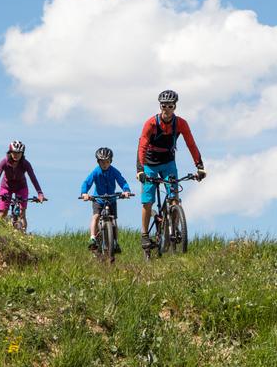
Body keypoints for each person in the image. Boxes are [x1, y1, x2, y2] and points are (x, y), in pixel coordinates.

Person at [136, 90, 206, 249]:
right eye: (163, 105)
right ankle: (145, 235)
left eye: (169, 106)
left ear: (175, 107)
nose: (166, 109)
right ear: (160, 106)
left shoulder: (181, 123)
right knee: (148, 201)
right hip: (149, 163)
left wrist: (199, 166)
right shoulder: (151, 123)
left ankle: (173, 228)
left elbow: (191, 144)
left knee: (174, 197)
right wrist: (140, 170)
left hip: (168, 163)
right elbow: (142, 146)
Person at [80, 147, 134, 251]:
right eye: (102, 162)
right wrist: (84, 193)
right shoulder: (96, 172)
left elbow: (122, 181)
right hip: (98, 199)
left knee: (114, 220)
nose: (105, 164)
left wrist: (126, 190)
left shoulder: (114, 171)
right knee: (96, 216)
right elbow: (87, 182)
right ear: (98, 162)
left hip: (111, 199)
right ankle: (92, 238)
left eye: (107, 162)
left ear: (111, 161)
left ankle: (115, 242)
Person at [0, 140, 46, 230]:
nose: (16, 155)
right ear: (10, 152)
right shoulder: (4, 162)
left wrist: (40, 193)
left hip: (21, 188)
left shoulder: (25, 164)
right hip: (6, 187)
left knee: (21, 213)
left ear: (22, 153)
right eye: (14, 153)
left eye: (19, 153)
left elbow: (33, 178)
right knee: (3, 213)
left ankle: (23, 236)